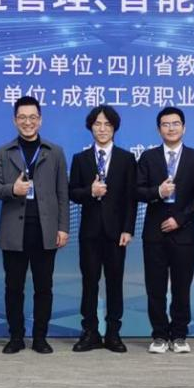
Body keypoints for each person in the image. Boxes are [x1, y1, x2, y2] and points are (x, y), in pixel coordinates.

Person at [0, 96, 69, 355]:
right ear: (15, 120)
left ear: (40, 120)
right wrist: (12, 189)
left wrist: (63, 227)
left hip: (45, 231)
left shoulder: (55, 152)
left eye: (32, 117)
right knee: (14, 288)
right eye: (22, 117)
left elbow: (63, 194)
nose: (27, 122)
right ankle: (16, 337)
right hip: (14, 232)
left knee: (44, 288)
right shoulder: (4, 152)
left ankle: (40, 338)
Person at [135, 107, 194, 354]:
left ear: (184, 127)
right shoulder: (148, 157)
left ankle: (179, 335)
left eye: (176, 123)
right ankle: (158, 334)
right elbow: (137, 190)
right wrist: (158, 192)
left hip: (183, 233)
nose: (171, 128)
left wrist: (180, 219)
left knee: (181, 287)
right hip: (154, 234)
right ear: (159, 130)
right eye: (165, 124)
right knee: (155, 287)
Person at [67, 105, 137, 353]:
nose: (102, 128)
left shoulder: (126, 159)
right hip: (89, 233)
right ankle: (90, 332)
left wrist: (128, 229)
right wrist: (90, 191)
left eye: (107, 124)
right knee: (89, 283)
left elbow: (131, 197)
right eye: (98, 124)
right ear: (91, 127)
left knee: (115, 283)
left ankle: (114, 333)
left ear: (114, 128)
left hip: (117, 233)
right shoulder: (81, 159)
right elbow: (72, 192)